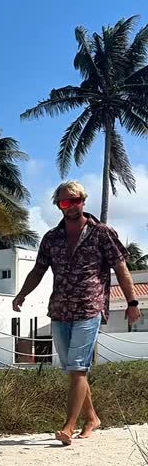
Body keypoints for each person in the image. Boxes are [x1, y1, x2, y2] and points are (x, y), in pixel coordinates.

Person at [12, 180, 142, 445]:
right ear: (59, 205)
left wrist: (132, 303)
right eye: (65, 202)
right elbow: (38, 270)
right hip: (59, 309)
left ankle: (68, 427)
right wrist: (22, 293)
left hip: (89, 307)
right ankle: (92, 418)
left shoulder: (102, 233)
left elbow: (121, 269)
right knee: (73, 370)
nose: (71, 206)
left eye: (76, 201)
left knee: (78, 369)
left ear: (83, 200)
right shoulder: (51, 238)